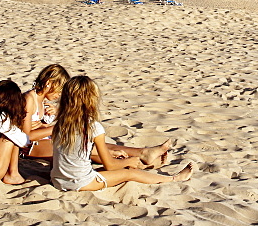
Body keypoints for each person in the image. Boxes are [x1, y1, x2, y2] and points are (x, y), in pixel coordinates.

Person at [51, 76, 192, 192]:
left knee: (119, 166)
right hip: (80, 183)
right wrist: (129, 161)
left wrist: (113, 153)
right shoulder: (93, 127)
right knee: (129, 172)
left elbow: (76, 150)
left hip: (58, 180)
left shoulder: (61, 124)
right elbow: (110, 166)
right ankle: (174, 178)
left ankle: (146, 164)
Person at [22, 64, 168, 165]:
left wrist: (45, 125)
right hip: (29, 147)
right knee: (86, 149)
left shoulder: (42, 101)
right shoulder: (29, 99)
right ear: (49, 83)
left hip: (42, 140)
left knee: (95, 145)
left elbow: (35, 129)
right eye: (59, 90)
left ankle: (143, 153)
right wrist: (56, 127)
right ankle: (136, 160)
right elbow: (25, 136)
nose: (59, 95)